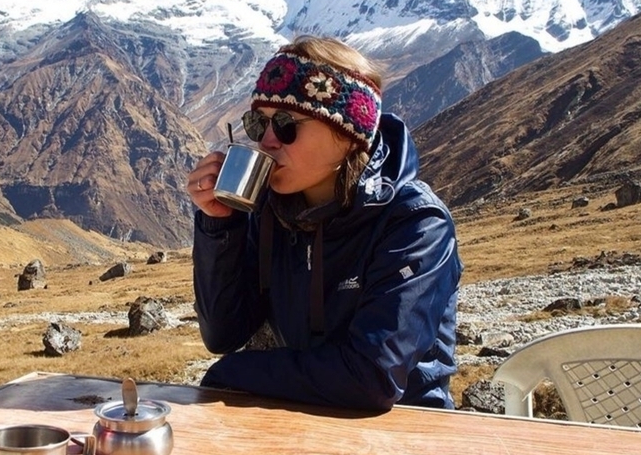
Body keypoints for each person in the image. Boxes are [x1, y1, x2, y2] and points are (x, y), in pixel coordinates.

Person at [187, 35, 461, 411]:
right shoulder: (272, 210)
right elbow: (223, 333)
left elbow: (373, 376)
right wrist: (219, 227)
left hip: (405, 429)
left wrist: (233, 372)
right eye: (257, 123)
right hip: (303, 418)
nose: (267, 141)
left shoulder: (415, 225)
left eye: (286, 125)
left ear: (348, 135)